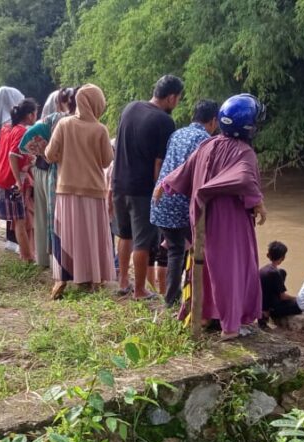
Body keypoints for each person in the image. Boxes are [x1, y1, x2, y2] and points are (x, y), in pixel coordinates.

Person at [160, 94, 266, 341]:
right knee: (232, 269)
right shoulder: (244, 152)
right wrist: (259, 203)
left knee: (206, 266)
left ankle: (204, 315)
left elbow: (184, 171)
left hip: (202, 219)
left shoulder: (208, 144)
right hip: (231, 223)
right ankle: (230, 327)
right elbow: (245, 179)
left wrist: (164, 184)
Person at [112, 75, 183, 300]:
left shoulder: (130, 108)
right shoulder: (164, 121)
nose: (177, 103)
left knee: (124, 235)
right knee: (142, 241)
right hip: (142, 190)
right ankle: (140, 290)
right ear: (171, 97)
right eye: (178, 99)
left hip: (119, 183)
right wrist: (159, 192)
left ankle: (123, 282)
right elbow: (159, 164)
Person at [44, 84, 116, 297]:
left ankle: (61, 281)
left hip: (66, 189)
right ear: (96, 104)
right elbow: (106, 162)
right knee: (91, 235)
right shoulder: (101, 129)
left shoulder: (64, 124)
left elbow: (49, 154)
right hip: (94, 190)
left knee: (66, 235)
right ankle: (93, 278)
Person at [151, 98, 219, 306]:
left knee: (175, 249)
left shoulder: (177, 133)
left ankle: (178, 295)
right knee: (186, 250)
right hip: (180, 204)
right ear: (214, 121)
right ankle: (178, 299)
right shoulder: (205, 140)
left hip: (161, 201)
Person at [20, 87, 77, 270]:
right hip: (60, 172)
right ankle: (62, 259)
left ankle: (44, 258)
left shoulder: (50, 119)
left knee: (43, 216)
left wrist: (42, 153)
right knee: (59, 216)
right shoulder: (71, 120)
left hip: (42, 170)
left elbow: (24, 142)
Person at [0, 98, 39, 264]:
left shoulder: (6, 128)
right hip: (8, 183)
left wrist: (27, 160)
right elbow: (13, 156)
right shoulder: (23, 132)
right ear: (30, 115)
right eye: (35, 113)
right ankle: (29, 259)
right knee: (20, 221)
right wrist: (17, 181)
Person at [258, 241, 301, 327]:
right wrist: (297, 298)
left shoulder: (263, 269)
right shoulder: (274, 273)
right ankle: (268, 313)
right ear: (283, 257)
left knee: (282, 272)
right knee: (299, 305)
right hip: (272, 308)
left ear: (268, 255)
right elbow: (283, 296)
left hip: (262, 302)